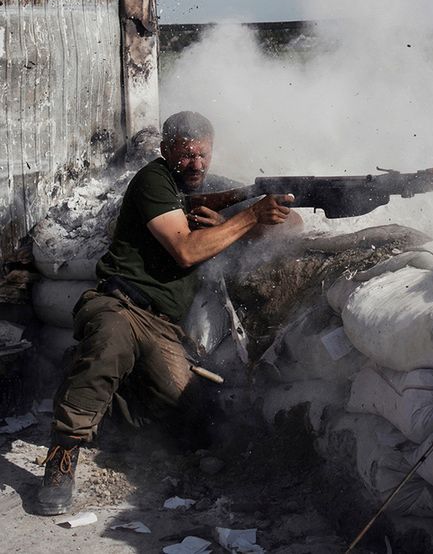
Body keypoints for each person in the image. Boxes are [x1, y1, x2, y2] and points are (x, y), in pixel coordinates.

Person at [36, 111, 297, 516]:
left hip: (162, 326)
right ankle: (62, 455)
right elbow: (186, 249)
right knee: (108, 344)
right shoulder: (153, 180)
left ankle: (111, 398)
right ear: (165, 151)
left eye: (203, 156)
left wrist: (241, 217)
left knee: (190, 423)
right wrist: (247, 218)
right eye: (186, 156)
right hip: (118, 303)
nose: (195, 165)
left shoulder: (210, 188)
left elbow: (291, 222)